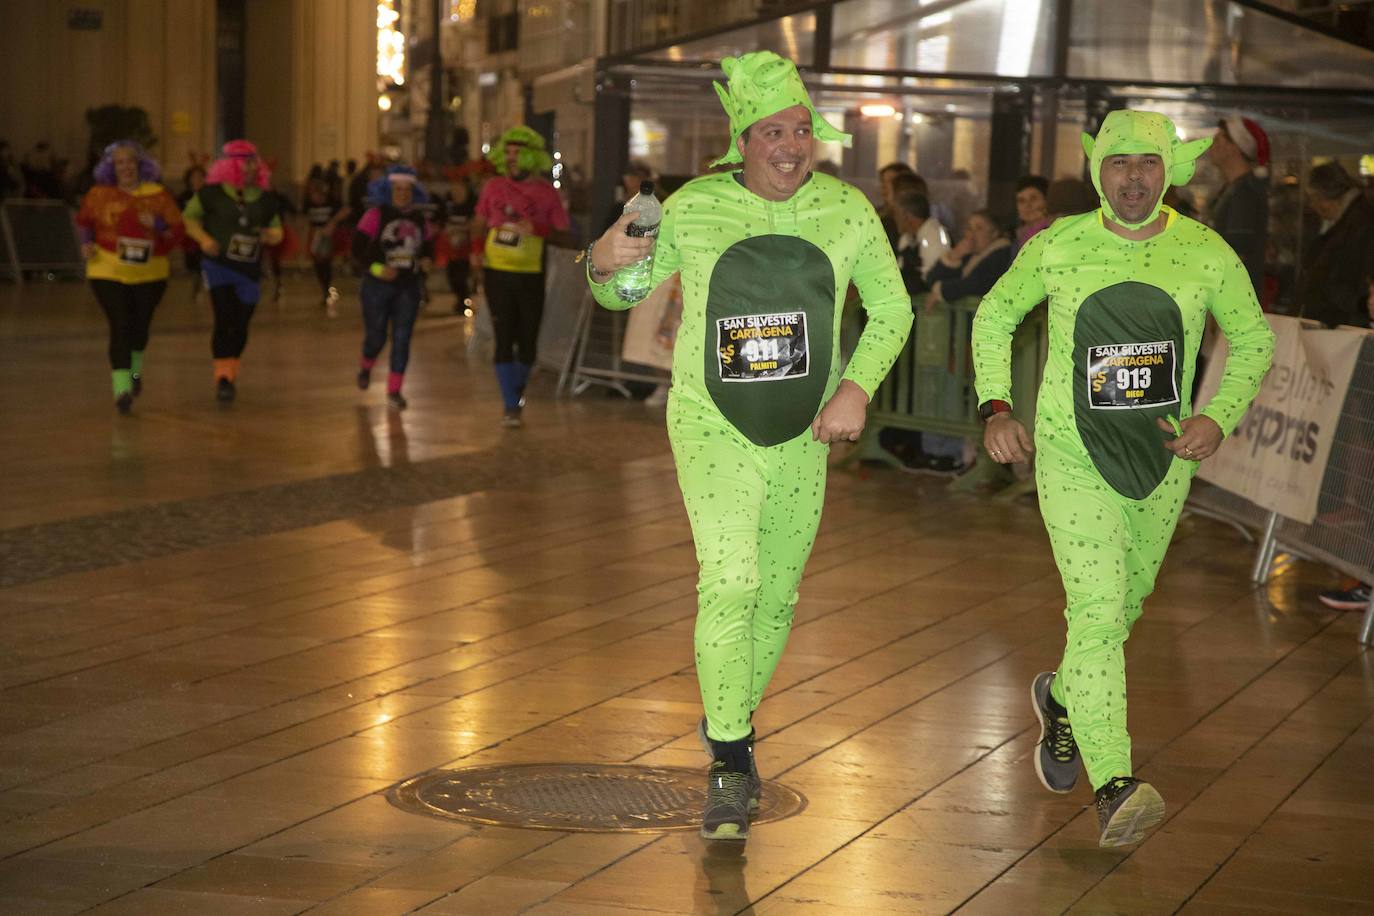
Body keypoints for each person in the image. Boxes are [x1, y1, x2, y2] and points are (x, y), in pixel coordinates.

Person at [585, 50, 912, 841]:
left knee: (778, 594)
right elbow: (620, 289)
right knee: (730, 579)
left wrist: (854, 388)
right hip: (710, 422)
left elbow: (895, 310)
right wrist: (603, 259)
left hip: (803, 431)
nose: (792, 145)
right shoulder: (691, 208)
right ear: (744, 137)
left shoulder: (847, 210)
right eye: (774, 131)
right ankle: (732, 757)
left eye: (802, 130)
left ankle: (729, 712)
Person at [973, 110, 1275, 847]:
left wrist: (1218, 416)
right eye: (1118, 163)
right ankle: (1115, 783)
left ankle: (1066, 702)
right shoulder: (1060, 245)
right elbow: (994, 315)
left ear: (1168, 169)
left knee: (1121, 609)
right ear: (1098, 169)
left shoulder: (1205, 250)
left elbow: (1256, 337)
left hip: (1165, 463)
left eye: (1147, 163)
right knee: (1100, 609)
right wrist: (995, 405)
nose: (1132, 177)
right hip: (1073, 454)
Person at [470, 125, 572, 427]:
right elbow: (478, 223)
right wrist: (476, 249)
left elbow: (566, 236)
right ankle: (510, 405)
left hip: (531, 274)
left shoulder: (545, 193)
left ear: (531, 157)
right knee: (504, 337)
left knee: (527, 340)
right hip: (497, 272)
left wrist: (538, 230)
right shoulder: (492, 187)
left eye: (518, 153)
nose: (512, 158)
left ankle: (516, 391)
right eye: (508, 153)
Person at [75, 141, 183, 414]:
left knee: (140, 329)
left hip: (151, 272)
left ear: (140, 165)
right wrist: (86, 244)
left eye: (130, 161)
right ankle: (121, 389)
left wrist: (156, 225)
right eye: (119, 162)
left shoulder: (158, 195)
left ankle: (135, 373)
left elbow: (176, 233)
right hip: (106, 269)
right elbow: (85, 223)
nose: (125, 167)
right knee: (120, 325)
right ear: (111, 167)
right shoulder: (99, 194)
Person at [182, 140, 283, 403]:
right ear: (232, 166)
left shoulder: (264, 199)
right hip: (218, 266)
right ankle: (223, 378)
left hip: (249, 270)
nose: (251, 167)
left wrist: (269, 235)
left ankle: (231, 369)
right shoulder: (211, 193)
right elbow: (189, 218)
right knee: (224, 318)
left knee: (241, 324)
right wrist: (204, 239)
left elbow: (278, 230)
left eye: (253, 162)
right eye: (245, 162)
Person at [351, 165, 436, 411]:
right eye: (397, 189)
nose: (402, 194)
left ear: (414, 191)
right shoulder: (375, 216)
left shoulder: (421, 220)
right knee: (376, 337)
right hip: (376, 287)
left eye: (406, 190)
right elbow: (356, 250)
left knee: (402, 339)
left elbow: (428, 247)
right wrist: (378, 269)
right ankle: (366, 366)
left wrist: (427, 260)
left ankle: (395, 390)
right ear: (388, 191)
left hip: (408, 287)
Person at [1299, 162, 1374, 330]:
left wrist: (1328, 288)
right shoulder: (1348, 222)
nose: (1313, 206)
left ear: (1328, 196)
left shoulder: (1360, 226)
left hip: (1342, 325)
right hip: (1338, 321)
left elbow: (1358, 284)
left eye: (1314, 198)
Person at [1206, 116, 1270, 293]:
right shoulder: (1232, 189)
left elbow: (1237, 251)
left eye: (1217, 140)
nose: (1211, 146)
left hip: (1234, 297)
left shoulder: (1244, 193)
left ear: (1234, 148)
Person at [924, 209, 1014, 308]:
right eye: (969, 228)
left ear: (994, 233)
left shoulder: (1001, 254)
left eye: (979, 228)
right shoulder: (969, 256)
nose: (971, 234)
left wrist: (942, 291)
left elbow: (978, 283)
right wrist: (954, 256)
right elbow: (932, 280)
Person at [303, 177, 343, 316]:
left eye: (317, 195)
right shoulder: (309, 205)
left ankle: (327, 288)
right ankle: (324, 288)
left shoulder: (331, 204)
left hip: (327, 236)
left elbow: (343, 211)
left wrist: (332, 224)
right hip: (315, 236)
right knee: (317, 263)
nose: (315, 198)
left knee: (326, 262)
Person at [177, 164, 208, 303]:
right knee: (192, 261)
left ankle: (200, 286)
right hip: (190, 235)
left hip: (207, 233)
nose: (197, 180)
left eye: (200, 177)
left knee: (203, 259)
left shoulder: (210, 195)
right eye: (194, 177)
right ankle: (197, 284)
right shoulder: (184, 196)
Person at [1014, 174, 1050, 251]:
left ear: (1046, 201)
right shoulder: (1019, 236)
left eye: (1033, 199)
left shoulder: (1051, 234)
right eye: (1021, 201)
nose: (1027, 205)